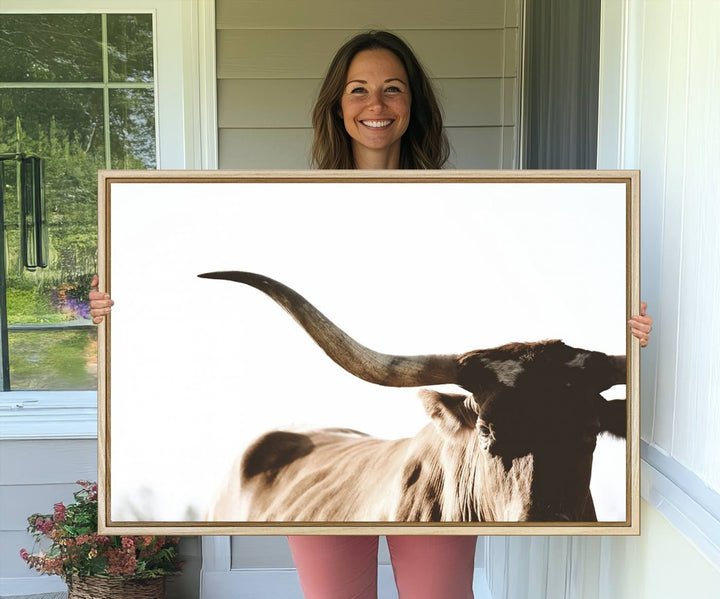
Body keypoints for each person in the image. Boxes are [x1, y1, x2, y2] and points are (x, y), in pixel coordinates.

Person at [89, 30, 653, 599]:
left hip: (441, 455)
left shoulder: (473, 201)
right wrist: (117, 307)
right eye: (358, 90)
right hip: (323, 471)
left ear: (413, 105)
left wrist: (635, 336)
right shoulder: (289, 201)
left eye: (393, 90)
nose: (376, 105)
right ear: (338, 105)